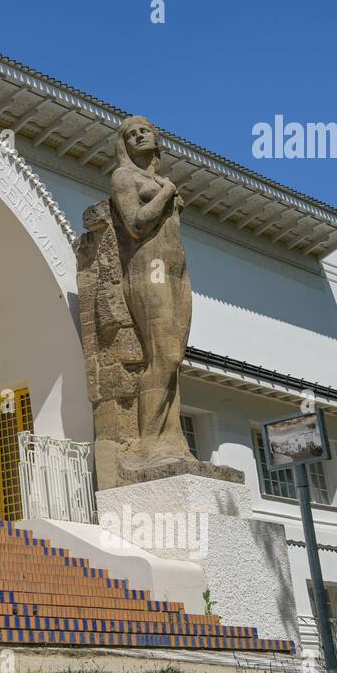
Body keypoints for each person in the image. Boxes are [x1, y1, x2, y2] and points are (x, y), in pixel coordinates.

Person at [108, 115, 194, 464]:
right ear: (124, 145)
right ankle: (150, 445)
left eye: (144, 131)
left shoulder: (156, 178)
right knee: (164, 355)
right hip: (148, 268)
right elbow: (137, 224)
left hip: (176, 271)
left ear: (156, 138)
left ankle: (175, 442)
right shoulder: (123, 177)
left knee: (176, 360)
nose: (139, 136)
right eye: (131, 135)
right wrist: (169, 191)